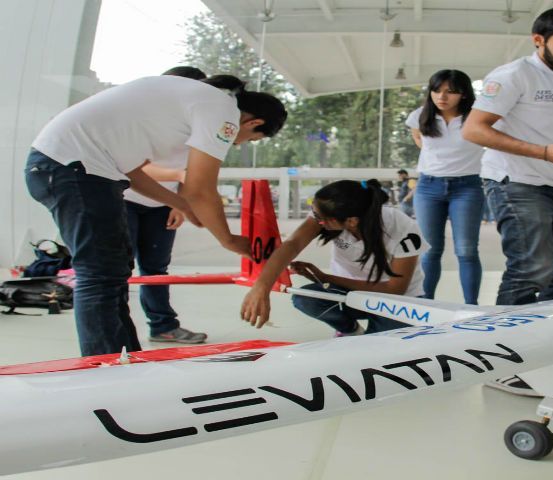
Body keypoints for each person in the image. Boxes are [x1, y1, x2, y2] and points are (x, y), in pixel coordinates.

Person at [25, 73, 288, 356]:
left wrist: (182, 204)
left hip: (74, 168)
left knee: (112, 273)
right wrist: (229, 241)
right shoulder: (223, 109)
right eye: (249, 139)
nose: (238, 144)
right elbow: (201, 188)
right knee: (100, 274)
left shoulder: (190, 102)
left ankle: (125, 359)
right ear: (253, 123)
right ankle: (104, 371)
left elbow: (134, 174)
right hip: (71, 168)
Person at [462, 6, 553, 396]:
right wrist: (544, 152)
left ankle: (536, 338)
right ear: (538, 40)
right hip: (514, 180)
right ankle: (498, 361)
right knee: (531, 268)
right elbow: (474, 130)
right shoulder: (512, 76)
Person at [241, 180, 426, 336]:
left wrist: (326, 278)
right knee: (305, 299)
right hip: (349, 294)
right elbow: (293, 244)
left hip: (396, 301)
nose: (316, 221)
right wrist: (261, 287)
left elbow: (394, 289)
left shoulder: (402, 228)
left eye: (319, 218)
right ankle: (351, 331)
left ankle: (373, 334)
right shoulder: (332, 214)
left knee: (375, 353)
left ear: (352, 221)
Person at [123, 66, 211, 344]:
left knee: (155, 269)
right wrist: (177, 179)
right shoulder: (144, 117)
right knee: (117, 269)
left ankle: (163, 326)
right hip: (125, 201)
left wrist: (178, 204)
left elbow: (191, 170)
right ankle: (116, 332)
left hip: (163, 206)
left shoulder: (198, 122)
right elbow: (136, 169)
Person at [406, 69, 485, 304]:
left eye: (451, 92)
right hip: (429, 187)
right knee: (430, 250)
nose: (442, 96)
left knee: (466, 250)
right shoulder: (420, 115)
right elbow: (418, 138)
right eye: (437, 90)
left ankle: (471, 306)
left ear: (463, 94)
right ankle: (426, 303)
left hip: (467, 187)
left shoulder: (476, 117)